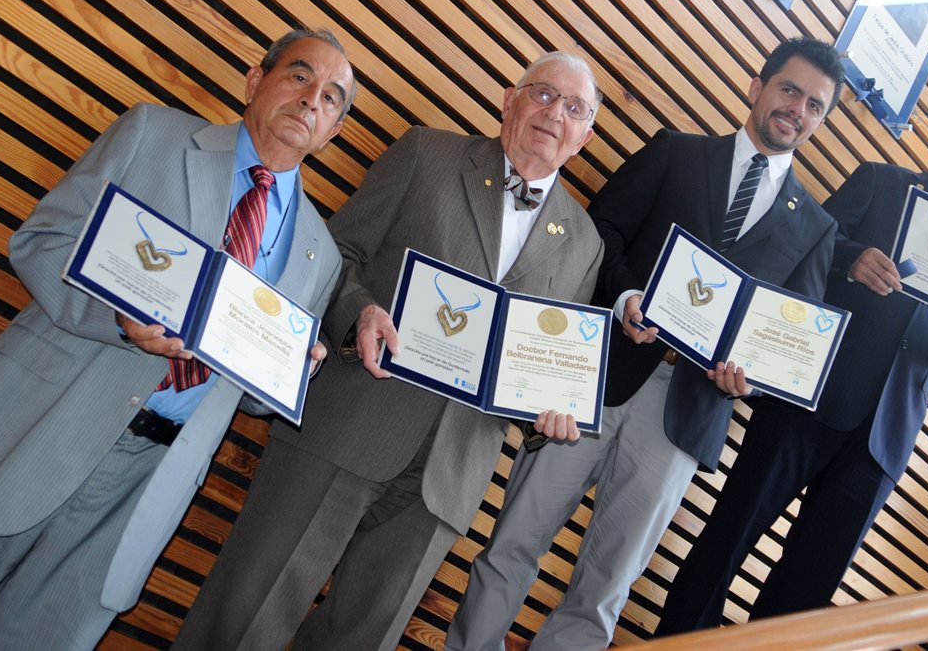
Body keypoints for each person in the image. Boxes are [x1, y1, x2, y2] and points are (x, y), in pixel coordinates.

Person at [0, 28, 355, 650]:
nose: (313, 101)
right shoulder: (153, 135)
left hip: (144, 483)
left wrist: (291, 371)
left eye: (332, 98)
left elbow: (247, 394)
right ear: (256, 80)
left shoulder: (319, 255)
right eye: (301, 76)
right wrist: (118, 322)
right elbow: (41, 244)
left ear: (333, 131)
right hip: (32, 428)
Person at [173, 52, 605, 651]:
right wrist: (360, 312)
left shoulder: (585, 241)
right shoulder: (427, 154)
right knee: (246, 613)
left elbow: (543, 362)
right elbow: (338, 253)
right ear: (510, 99)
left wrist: (547, 414)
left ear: (585, 136)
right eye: (544, 94)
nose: (555, 113)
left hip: (449, 477)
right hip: (350, 420)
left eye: (575, 108)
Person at [447, 37, 843, 651]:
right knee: (513, 542)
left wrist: (752, 377)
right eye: (789, 89)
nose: (798, 109)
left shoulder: (817, 228)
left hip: (687, 417)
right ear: (756, 87)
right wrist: (628, 297)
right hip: (596, 373)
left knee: (605, 588)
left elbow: (785, 338)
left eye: (816, 105)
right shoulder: (676, 152)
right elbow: (599, 228)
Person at [655, 112, 928, 635]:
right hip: (806, 403)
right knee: (726, 541)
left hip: (882, 441)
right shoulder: (882, 182)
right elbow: (809, 243)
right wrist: (852, 259)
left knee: (805, 597)